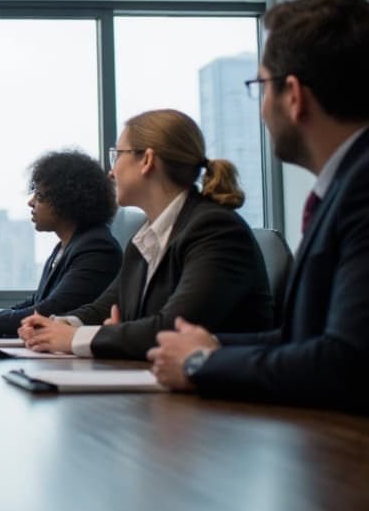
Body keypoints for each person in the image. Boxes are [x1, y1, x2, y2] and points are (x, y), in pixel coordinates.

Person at [149, 0, 369, 411]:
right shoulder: (344, 186)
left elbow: (346, 363)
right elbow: (305, 339)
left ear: (293, 95)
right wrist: (207, 345)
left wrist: (200, 363)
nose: (261, 109)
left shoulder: (362, 189)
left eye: (260, 87)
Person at [20, 109, 272, 359]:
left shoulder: (215, 230)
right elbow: (104, 307)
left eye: (117, 156)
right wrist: (59, 326)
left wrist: (76, 338)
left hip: (221, 395)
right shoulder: (145, 237)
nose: (111, 171)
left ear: (147, 160)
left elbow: (171, 329)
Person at [0, 150, 121, 338]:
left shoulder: (97, 248)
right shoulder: (67, 246)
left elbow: (53, 310)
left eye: (40, 195)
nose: (31, 202)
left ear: (67, 200)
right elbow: (37, 301)